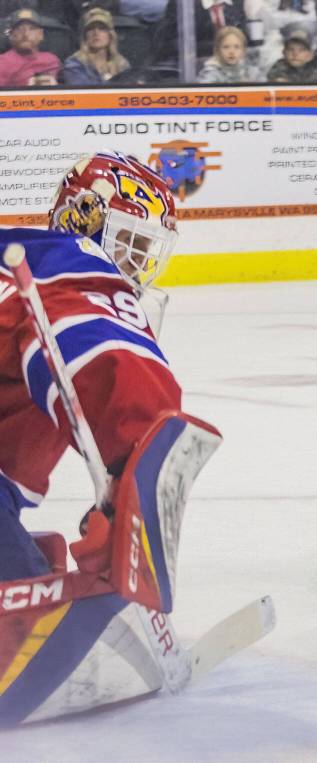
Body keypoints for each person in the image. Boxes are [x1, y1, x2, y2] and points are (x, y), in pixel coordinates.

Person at [0, 151, 221, 725]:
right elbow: (111, 365)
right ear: (84, 218)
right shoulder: (62, 262)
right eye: (132, 242)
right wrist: (133, 470)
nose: (140, 266)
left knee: (32, 582)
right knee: (33, 615)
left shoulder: (18, 264)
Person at [63, 7, 131, 85]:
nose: (96, 33)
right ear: (84, 36)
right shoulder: (74, 64)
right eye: (91, 29)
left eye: (102, 29)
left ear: (110, 35)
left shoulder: (122, 64)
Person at [0, 8, 61, 86]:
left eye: (31, 29)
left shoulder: (52, 60)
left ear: (40, 34)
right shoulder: (2, 63)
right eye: (19, 29)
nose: (25, 34)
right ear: (11, 35)